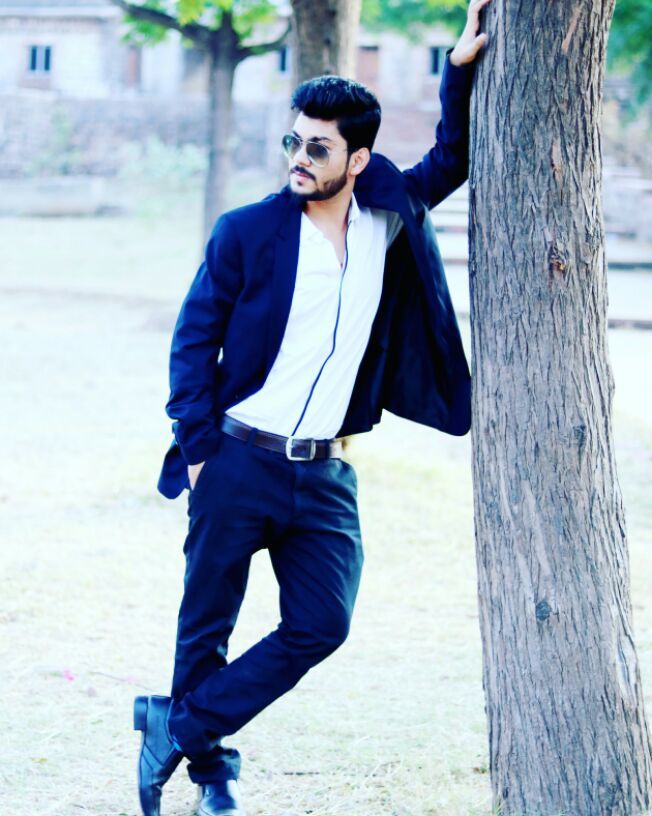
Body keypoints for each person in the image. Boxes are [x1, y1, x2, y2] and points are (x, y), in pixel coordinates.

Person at [133, 2, 491, 814]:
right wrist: (199, 450)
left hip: (325, 472)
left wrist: (458, 69)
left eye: (319, 148)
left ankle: (176, 725)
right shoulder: (246, 232)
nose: (299, 157)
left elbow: (452, 157)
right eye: (293, 141)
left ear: (358, 159)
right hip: (236, 458)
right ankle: (210, 773)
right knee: (206, 626)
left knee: (323, 624)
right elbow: (192, 344)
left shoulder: (388, 220)